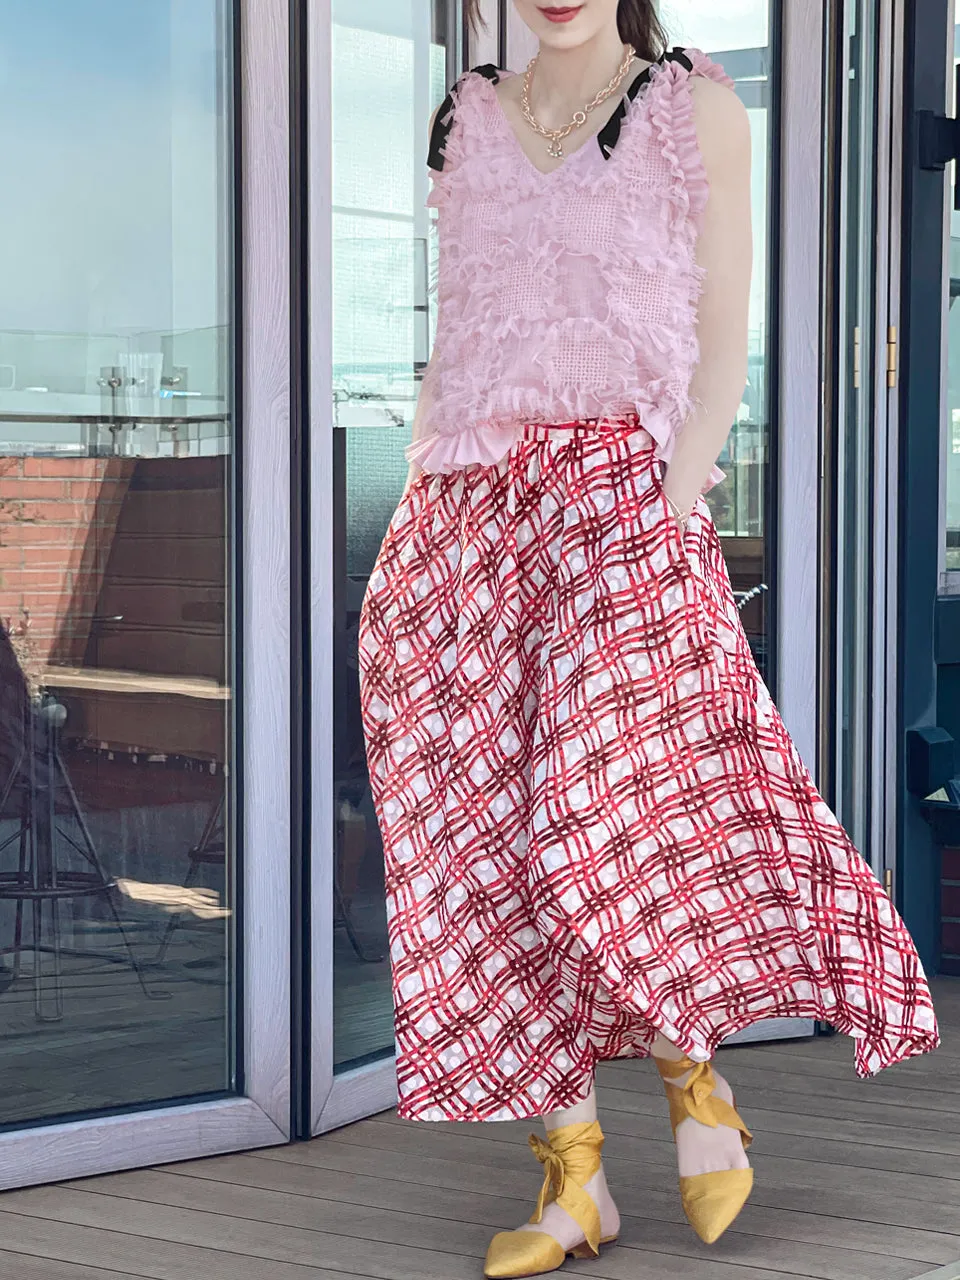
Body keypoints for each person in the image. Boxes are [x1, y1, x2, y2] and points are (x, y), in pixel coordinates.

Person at [357, 2, 941, 1276]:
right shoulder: (466, 116)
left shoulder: (694, 108)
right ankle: (574, 1178)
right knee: (478, 839)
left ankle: (693, 1068)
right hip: (464, 511)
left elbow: (725, 335)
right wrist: (421, 500)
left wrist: (663, 509)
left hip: (623, 502)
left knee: (608, 808)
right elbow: (459, 333)